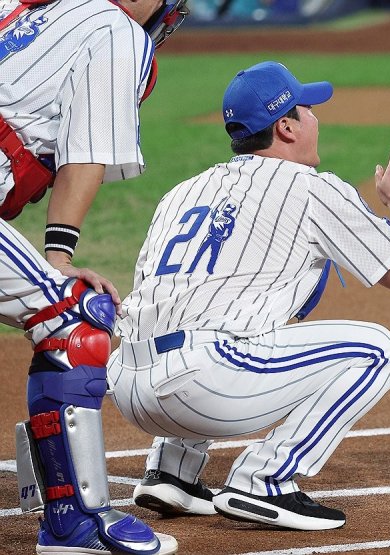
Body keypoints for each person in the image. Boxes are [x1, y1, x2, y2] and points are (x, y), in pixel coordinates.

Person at [106, 61, 390, 531]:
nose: (316, 117)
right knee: (377, 350)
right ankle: (266, 479)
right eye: (308, 109)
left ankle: (171, 472)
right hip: (202, 385)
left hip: (126, 383)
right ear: (287, 127)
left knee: (216, 313)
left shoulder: (182, 192)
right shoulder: (310, 188)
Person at [1, 0, 189, 553]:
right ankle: (75, 524)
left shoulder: (20, 8)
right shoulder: (116, 28)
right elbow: (86, 152)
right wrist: (59, 260)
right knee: (74, 317)